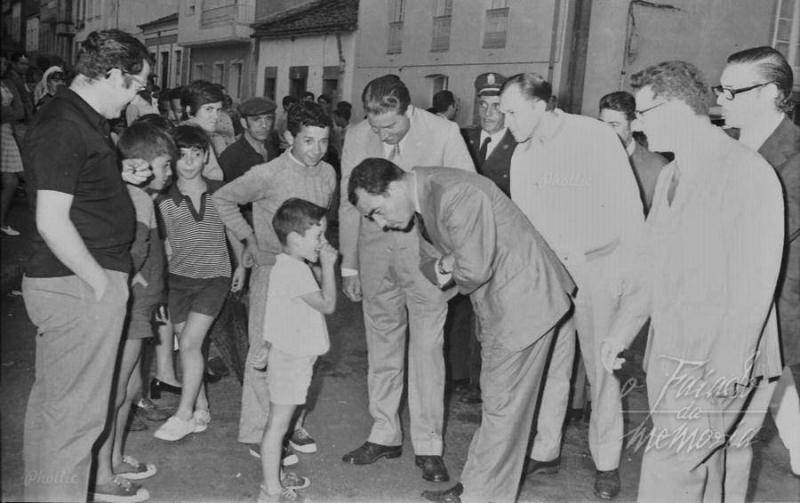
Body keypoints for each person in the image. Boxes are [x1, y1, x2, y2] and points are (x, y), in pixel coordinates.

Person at [600, 60, 784, 502]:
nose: (638, 126)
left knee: (672, 461)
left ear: (677, 109)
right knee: (708, 466)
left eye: (643, 114)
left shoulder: (746, 170)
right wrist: (622, 329)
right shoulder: (672, 172)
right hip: (673, 348)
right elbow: (651, 262)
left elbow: (758, 275)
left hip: (721, 353)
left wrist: (733, 358)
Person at [348, 159, 574, 503]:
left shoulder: (454, 194)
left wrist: (453, 261)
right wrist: (453, 260)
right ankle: (479, 491)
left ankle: (478, 496)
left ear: (394, 188)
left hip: (523, 304)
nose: (380, 224)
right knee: (502, 405)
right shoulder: (427, 198)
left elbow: (473, 269)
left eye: (377, 212)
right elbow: (435, 266)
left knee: (502, 405)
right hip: (511, 301)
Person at [20, 29, 152, 503]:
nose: (137, 97)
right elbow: (51, 220)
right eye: (137, 85)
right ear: (114, 75)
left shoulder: (81, 119)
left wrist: (116, 174)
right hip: (78, 284)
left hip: (80, 281)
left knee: (59, 414)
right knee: (74, 420)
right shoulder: (64, 124)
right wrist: (102, 285)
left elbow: (74, 185)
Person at [500, 73, 643, 499]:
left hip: (598, 269)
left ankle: (606, 461)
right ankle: (545, 449)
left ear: (540, 105)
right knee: (550, 366)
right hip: (551, 275)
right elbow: (523, 227)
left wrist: (629, 272)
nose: (507, 122)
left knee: (603, 369)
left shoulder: (595, 137)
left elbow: (629, 207)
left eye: (513, 112)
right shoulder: (522, 154)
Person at [338, 74, 474, 482]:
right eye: (375, 126)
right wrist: (349, 265)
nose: (382, 134)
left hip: (426, 259)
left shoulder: (444, 133)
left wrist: (454, 258)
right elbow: (348, 205)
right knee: (381, 349)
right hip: (374, 258)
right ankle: (384, 432)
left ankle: (429, 444)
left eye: (391, 126)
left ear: (408, 110)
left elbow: (464, 197)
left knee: (427, 351)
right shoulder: (356, 135)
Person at [214, 100, 336, 462]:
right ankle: (259, 431)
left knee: (302, 353)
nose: (316, 149)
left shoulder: (328, 173)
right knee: (264, 353)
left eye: (324, 141)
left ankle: (291, 423)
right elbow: (222, 199)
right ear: (288, 137)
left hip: (308, 274)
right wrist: (249, 239)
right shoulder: (267, 173)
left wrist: (323, 264)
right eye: (308, 140)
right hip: (272, 272)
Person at [715, 46, 800, 483]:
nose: (720, 101)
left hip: (782, 315)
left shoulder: (796, 156)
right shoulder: (728, 148)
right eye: (720, 90)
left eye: (732, 92)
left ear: (769, 93)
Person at [92, 121, 176, 503]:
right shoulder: (138, 199)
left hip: (142, 308)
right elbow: (134, 251)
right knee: (115, 392)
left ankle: (113, 458)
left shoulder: (144, 198)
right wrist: (134, 279)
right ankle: (101, 475)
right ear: (140, 165)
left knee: (129, 390)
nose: (170, 171)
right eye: (164, 164)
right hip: (131, 309)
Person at [153, 124, 246, 441]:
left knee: (191, 344)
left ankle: (183, 414)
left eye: (197, 154)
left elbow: (232, 230)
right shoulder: (163, 197)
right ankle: (201, 406)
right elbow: (163, 243)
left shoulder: (221, 190)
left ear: (207, 156)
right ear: (172, 159)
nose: (190, 161)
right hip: (178, 281)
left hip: (214, 277)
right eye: (182, 155)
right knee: (190, 346)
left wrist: (241, 265)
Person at [256, 198, 338, 503]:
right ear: (294, 239)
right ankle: (271, 490)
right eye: (318, 236)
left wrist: (267, 344)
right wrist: (328, 266)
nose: (323, 243)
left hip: (291, 358)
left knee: (283, 422)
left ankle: (274, 476)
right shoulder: (297, 271)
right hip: (291, 362)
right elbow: (328, 305)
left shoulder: (288, 266)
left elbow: (277, 312)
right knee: (278, 425)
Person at [599, 91, 668, 215]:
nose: (604, 132)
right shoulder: (589, 157)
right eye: (601, 123)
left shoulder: (659, 168)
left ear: (634, 125)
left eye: (613, 125)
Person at [218, 96, 281, 182]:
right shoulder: (231, 157)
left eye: (268, 118)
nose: (264, 125)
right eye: (256, 120)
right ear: (244, 123)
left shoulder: (271, 148)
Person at [180, 80, 225, 180]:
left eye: (218, 110)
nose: (216, 116)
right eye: (209, 109)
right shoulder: (189, 138)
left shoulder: (198, 134)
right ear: (189, 110)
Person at [1, 57, 25, 236]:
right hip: (4, 130)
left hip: (7, 130)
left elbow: (19, 109)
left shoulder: (6, 82)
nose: (3, 66)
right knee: (11, 181)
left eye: (4, 63)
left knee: (11, 181)